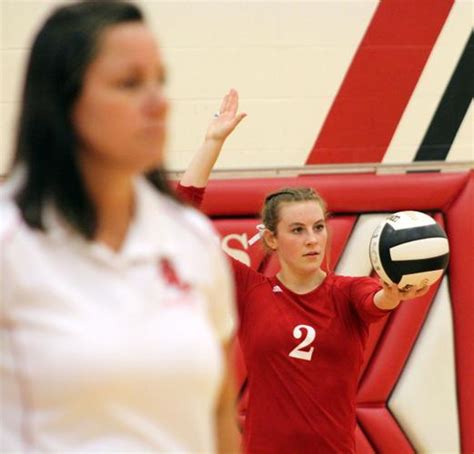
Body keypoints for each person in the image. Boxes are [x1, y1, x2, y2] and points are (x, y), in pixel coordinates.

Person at [0, 1, 240, 452]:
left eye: (159, 80)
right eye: (130, 84)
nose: (158, 102)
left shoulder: (193, 240)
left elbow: (220, 412)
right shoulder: (10, 243)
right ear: (63, 100)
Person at [176, 91, 431, 453]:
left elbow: (376, 301)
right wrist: (212, 142)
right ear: (272, 239)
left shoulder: (347, 293)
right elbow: (177, 223)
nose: (312, 239)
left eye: (318, 227)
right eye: (297, 230)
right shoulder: (251, 291)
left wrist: (394, 291)